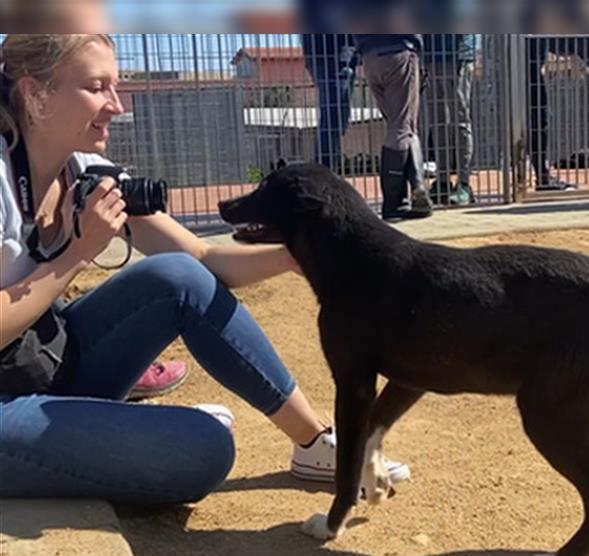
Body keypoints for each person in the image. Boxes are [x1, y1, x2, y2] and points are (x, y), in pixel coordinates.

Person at [0, 34, 410, 503]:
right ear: (35, 94)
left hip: (43, 361)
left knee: (176, 276)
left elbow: (201, 262)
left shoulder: (85, 167)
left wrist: (296, 255)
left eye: (117, 85)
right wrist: (75, 253)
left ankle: (319, 443)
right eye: (97, 87)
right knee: (202, 448)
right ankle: (118, 433)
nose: (116, 105)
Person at [354, 35, 433, 221]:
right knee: (402, 128)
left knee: (402, 125)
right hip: (399, 50)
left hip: (369, 57)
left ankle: (417, 186)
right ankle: (394, 201)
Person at [526, 36, 589, 191]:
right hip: (529, 71)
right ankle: (541, 178)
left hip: (520, 66)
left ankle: (536, 177)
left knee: (535, 122)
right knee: (538, 122)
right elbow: (581, 47)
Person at [422, 34, 477, 206]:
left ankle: (464, 183)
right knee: (437, 122)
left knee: (460, 120)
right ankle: (443, 181)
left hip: (458, 55)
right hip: (431, 54)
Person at [300, 34, 357, 173]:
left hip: (321, 54)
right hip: (337, 56)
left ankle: (325, 172)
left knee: (332, 120)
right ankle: (324, 174)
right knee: (334, 121)